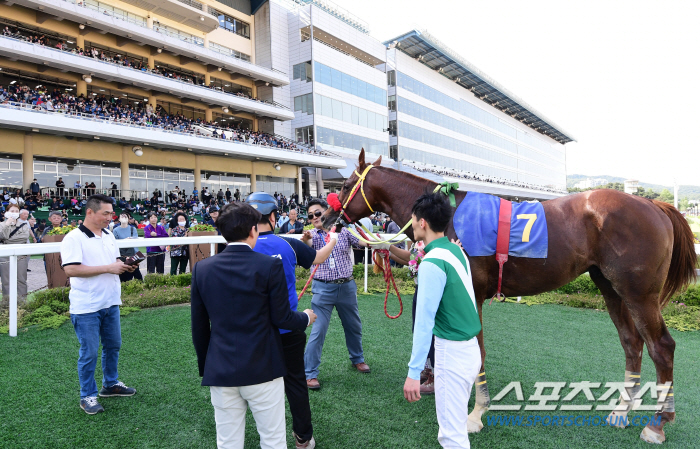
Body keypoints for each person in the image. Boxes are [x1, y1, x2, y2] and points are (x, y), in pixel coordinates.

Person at [191, 201, 318, 449]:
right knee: (272, 439)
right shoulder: (268, 265)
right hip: (263, 367)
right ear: (253, 230)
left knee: (227, 442)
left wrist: (208, 366)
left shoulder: (202, 269)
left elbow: (199, 327)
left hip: (220, 369)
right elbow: (282, 318)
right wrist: (305, 317)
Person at [248, 192, 338, 449]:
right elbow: (318, 258)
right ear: (274, 217)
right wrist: (333, 238)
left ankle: (266, 437)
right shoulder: (286, 243)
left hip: (255, 333)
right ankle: (303, 438)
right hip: (289, 328)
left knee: (258, 387)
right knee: (295, 384)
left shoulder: (245, 247)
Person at [403, 192, 481, 449]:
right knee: (455, 430)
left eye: (413, 219)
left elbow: (424, 323)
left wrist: (414, 372)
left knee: (451, 436)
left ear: (422, 222)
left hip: (452, 353)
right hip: (469, 351)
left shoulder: (432, 262)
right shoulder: (455, 251)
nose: (411, 224)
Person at [60, 194, 138, 415]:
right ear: (90, 212)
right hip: (86, 306)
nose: (110, 217)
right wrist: (109, 268)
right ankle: (87, 396)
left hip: (110, 302)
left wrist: (124, 266)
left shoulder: (108, 234)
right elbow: (71, 269)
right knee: (90, 352)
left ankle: (110, 384)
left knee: (113, 345)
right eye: (106, 213)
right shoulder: (73, 238)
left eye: (111, 213)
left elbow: (112, 263)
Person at [303, 198, 369, 390]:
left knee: (353, 325)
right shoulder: (311, 235)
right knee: (318, 330)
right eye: (310, 215)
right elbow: (307, 247)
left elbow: (362, 242)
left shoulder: (343, 230)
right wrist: (306, 241)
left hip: (346, 287)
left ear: (327, 211)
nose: (314, 217)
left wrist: (378, 244)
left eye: (317, 213)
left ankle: (357, 359)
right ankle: (310, 374)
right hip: (322, 289)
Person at [0, 204, 31, 304]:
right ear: (6, 212)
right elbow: (1, 235)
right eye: (12, 211)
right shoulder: (2, 224)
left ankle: (22, 303)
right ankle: (7, 303)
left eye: (16, 211)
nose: (14, 213)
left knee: (21, 279)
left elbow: (24, 237)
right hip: (4, 256)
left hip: (20, 255)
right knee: (6, 280)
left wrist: (7, 239)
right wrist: (7, 224)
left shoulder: (24, 224)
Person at [112, 212, 143, 283]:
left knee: (138, 276)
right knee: (123, 277)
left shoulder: (133, 229)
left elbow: (135, 241)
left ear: (128, 219)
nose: (124, 217)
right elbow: (115, 243)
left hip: (133, 255)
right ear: (119, 219)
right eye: (122, 216)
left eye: (125, 216)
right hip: (122, 256)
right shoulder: (115, 230)